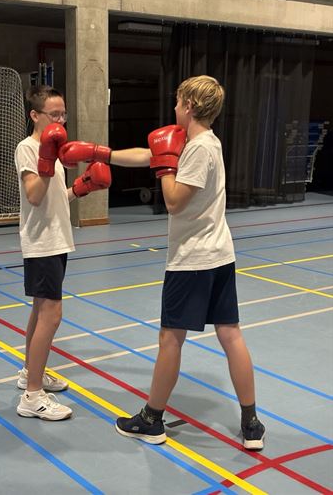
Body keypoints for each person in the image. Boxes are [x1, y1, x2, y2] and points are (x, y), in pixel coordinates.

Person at [114, 75, 266, 450]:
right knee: (230, 333)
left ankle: (152, 419)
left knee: (170, 338)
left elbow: (174, 201)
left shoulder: (198, 149)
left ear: (191, 107)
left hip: (193, 260)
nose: (175, 107)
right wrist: (100, 153)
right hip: (219, 254)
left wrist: (165, 171)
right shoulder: (201, 142)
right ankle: (251, 424)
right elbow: (149, 154)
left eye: (179, 102)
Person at [14, 85, 111, 420]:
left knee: (41, 310)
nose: (60, 120)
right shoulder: (28, 149)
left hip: (56, 239)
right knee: (52, 315)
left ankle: (30, 374)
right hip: (42, 243)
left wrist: (80, 188)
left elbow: (54, 199)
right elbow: (35, 196)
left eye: (62, 114)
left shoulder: (52, 153)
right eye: (53, 114)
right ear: (35, 116)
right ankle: (32, 396)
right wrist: (47, 157)